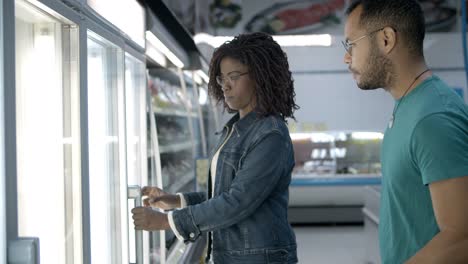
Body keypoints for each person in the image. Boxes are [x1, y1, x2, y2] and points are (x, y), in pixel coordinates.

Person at [132, 32, 299, 263]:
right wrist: (174, 200)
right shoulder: (235, 129)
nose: (226, 86)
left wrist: (166, 221)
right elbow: (224, 193)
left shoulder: (270, 134)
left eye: (234, 76)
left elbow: (237, 202)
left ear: (260, 77)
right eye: (222, 79)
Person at [343, 1, 468, 263]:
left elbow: (461, 236)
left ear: (386, 39)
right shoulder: (408, 106)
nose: (346, 57)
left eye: (351, 44)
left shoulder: (432, 118)